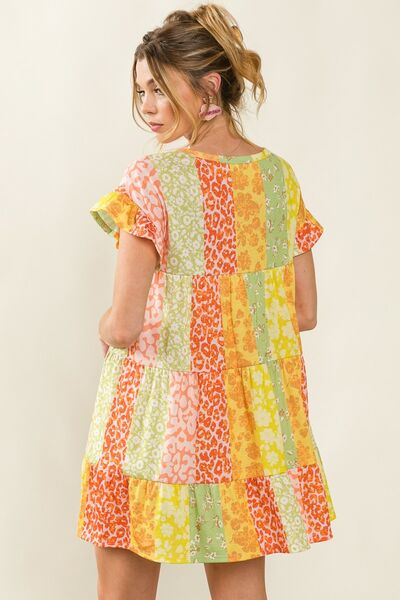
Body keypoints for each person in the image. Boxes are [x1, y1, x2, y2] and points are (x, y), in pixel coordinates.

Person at [76, 3, 336, 599]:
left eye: (159, 89)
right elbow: (304, 312)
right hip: (247, 425)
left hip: (153, 417)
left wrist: (104, 325)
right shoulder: (278, 178)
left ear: (209, 85)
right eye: (141, 91)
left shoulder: (152, 180)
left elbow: (123, 326)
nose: (148, 107)